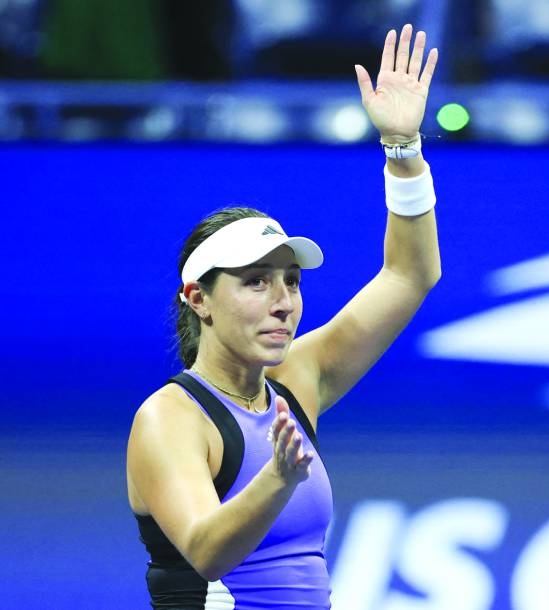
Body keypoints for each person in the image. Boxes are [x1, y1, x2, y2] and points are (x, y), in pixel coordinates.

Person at [126, 24, 440, 609]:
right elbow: (204, 549)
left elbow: (410, 275)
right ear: (199, 299)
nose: (283, 301)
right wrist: (275, 476)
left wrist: (403, 150)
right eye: (255, 282)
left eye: (291, 282)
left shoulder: (299, 378)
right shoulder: (170, 419)